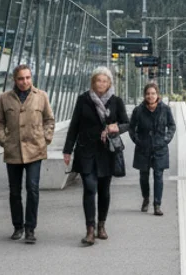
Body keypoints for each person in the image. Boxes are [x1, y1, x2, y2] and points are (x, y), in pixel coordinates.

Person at [63, 66, 129, 246]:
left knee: (104, 190)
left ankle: (102, 225)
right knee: (90, 188)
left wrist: (117, 127)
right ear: (93, 82)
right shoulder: (83, 100)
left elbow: (126, 123)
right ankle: (90, 229)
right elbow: (74, 125)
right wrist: (67, 150)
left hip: (106, 151)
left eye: (105, 81)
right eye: (98, 80)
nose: (101, 83)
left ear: (109, 83)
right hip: (86, 151)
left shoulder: (116, 101)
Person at [0, 64, 55, 244]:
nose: (24, 81)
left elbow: (49, 119)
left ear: (31, 78)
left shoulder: (41, 96)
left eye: (27, 78)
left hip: (35, 149)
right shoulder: (5, 98)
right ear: (15, 79)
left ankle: (30, 229)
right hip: (13, 151)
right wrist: (4, 140)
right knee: (14, 191)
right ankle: (17, 226)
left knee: (32, 188)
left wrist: (46, 138)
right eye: (21, 78)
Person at [129, 82, 175, 216]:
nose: (150, 96)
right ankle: (146, 198)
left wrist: (166, 139)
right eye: (148, 94)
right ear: (144, 95)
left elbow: (172, 126)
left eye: (153, 93)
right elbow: (131, 128)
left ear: (157, 95)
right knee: (143, 176)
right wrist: (137, 140)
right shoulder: (138, 110)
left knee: (158, 176)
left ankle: (157, 204)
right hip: (143, 147)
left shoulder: (165, 109)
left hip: (160, 147)